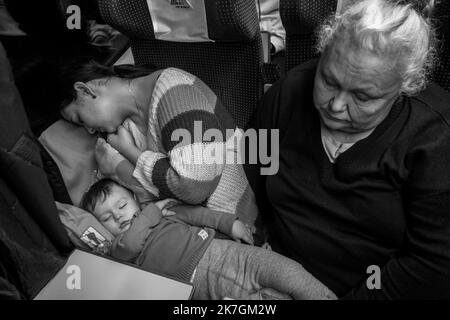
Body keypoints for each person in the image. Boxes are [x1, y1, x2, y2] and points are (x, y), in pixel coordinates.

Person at [247, 0, 450, 299]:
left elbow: (431, 266)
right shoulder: (289, 92)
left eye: (363, 97)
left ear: (404, 85)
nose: (336, 105)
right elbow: (249, 180)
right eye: (328, 80)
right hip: (270, 272)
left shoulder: (435, 137)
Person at [59, 62, 258, 226]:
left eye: (80, 119)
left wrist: (131, 153)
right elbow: (144, 201)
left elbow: (193, 186)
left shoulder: (176, 90)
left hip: (239, 220)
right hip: (194, 233)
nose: (89, 130)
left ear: (84, 90)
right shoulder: (126, 129)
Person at [80, 178, 336, 300]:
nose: (118, 216)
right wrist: (150, 213)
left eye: (122, 205)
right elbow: (130, 244)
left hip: (225, 254)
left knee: (288, 272)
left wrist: (230, 223)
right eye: (106, 218)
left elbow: (198, 215)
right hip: (196, 287)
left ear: (136, 199)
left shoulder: (163, 211)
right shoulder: (119, 249)